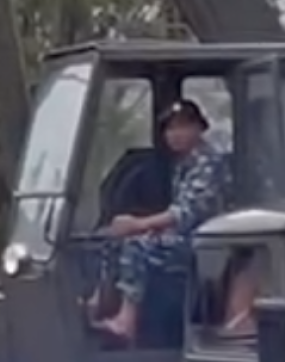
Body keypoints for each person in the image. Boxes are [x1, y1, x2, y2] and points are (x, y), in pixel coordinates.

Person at [98, 99, 231, 345]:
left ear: (199, 128)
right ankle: (101, 303)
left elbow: (186, 214)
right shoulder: (183, 164)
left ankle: (127, 321)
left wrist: (138, 225)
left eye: (183, 126)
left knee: (137, 244)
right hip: (184, 237)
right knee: (111, 237)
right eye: (170, 129)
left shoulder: (208, 163)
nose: (175, 134)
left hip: (207, 243)